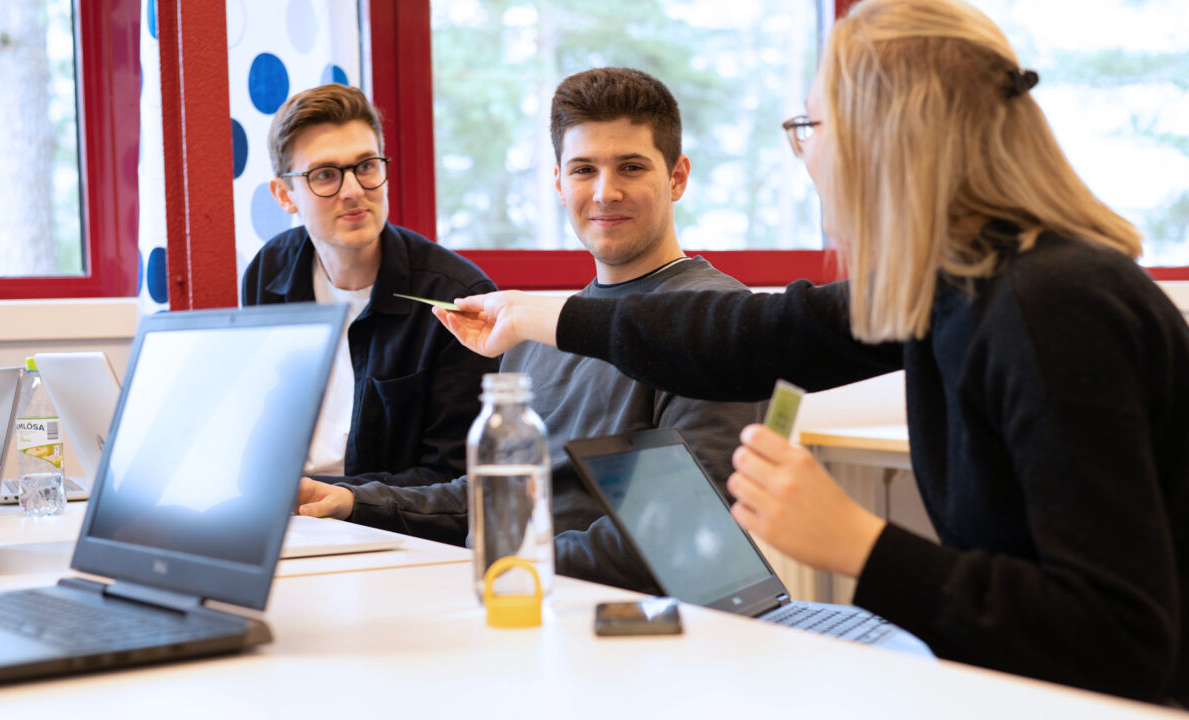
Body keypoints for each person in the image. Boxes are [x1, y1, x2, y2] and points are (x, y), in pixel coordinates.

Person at [431, 0, 1189, 705]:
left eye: (812, 129)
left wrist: (859, 543)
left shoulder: (1049, 305)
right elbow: (750, 336)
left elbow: (1119, 640)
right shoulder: (952, 284)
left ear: (887, 141)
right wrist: (538, 315)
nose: (806, 158)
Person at [295, 67, 764, 591]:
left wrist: (502, 565)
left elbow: (676, 533)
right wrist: (355, 501)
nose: (605, 192)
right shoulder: (545, 330)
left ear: (677, 177)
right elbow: (487, 498)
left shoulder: (716, 317)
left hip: (624, 627)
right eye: (584, 169)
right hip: (518, 602)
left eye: (630, 167)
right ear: (560, 183)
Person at [241, 83, 499, 488]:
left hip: (392, 529)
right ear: (284, 194)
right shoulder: (268, 273)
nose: (353, 191)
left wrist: (340, 499)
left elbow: (456, 481)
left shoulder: (455, 295)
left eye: (366, 166)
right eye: (324, 175)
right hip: (285, 509)